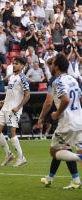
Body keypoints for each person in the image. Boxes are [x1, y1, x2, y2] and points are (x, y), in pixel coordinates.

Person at [38, 53, 82, 189]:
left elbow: (64, 99)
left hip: (66, 123)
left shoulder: (57, 81)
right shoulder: (73, 79)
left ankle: (80, 159)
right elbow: (79, 98)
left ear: (56, 66)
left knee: (54, 151)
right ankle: (72, 180)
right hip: (79, 120)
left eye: (52, 64)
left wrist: (57, 113)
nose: (50, 66)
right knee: (64, 149)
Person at [0, 56, 30, 167]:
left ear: (22, 66)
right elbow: (11, 93)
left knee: (11, 133)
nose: (14, 65)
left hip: (13, 109)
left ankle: (21, 157)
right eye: (13, 63)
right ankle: (9, 154)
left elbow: (27, 95)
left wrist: (18, 107)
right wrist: (3, 101)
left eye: (17, 63)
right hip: (5, 107)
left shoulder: (22, 78)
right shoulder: (11, 77)